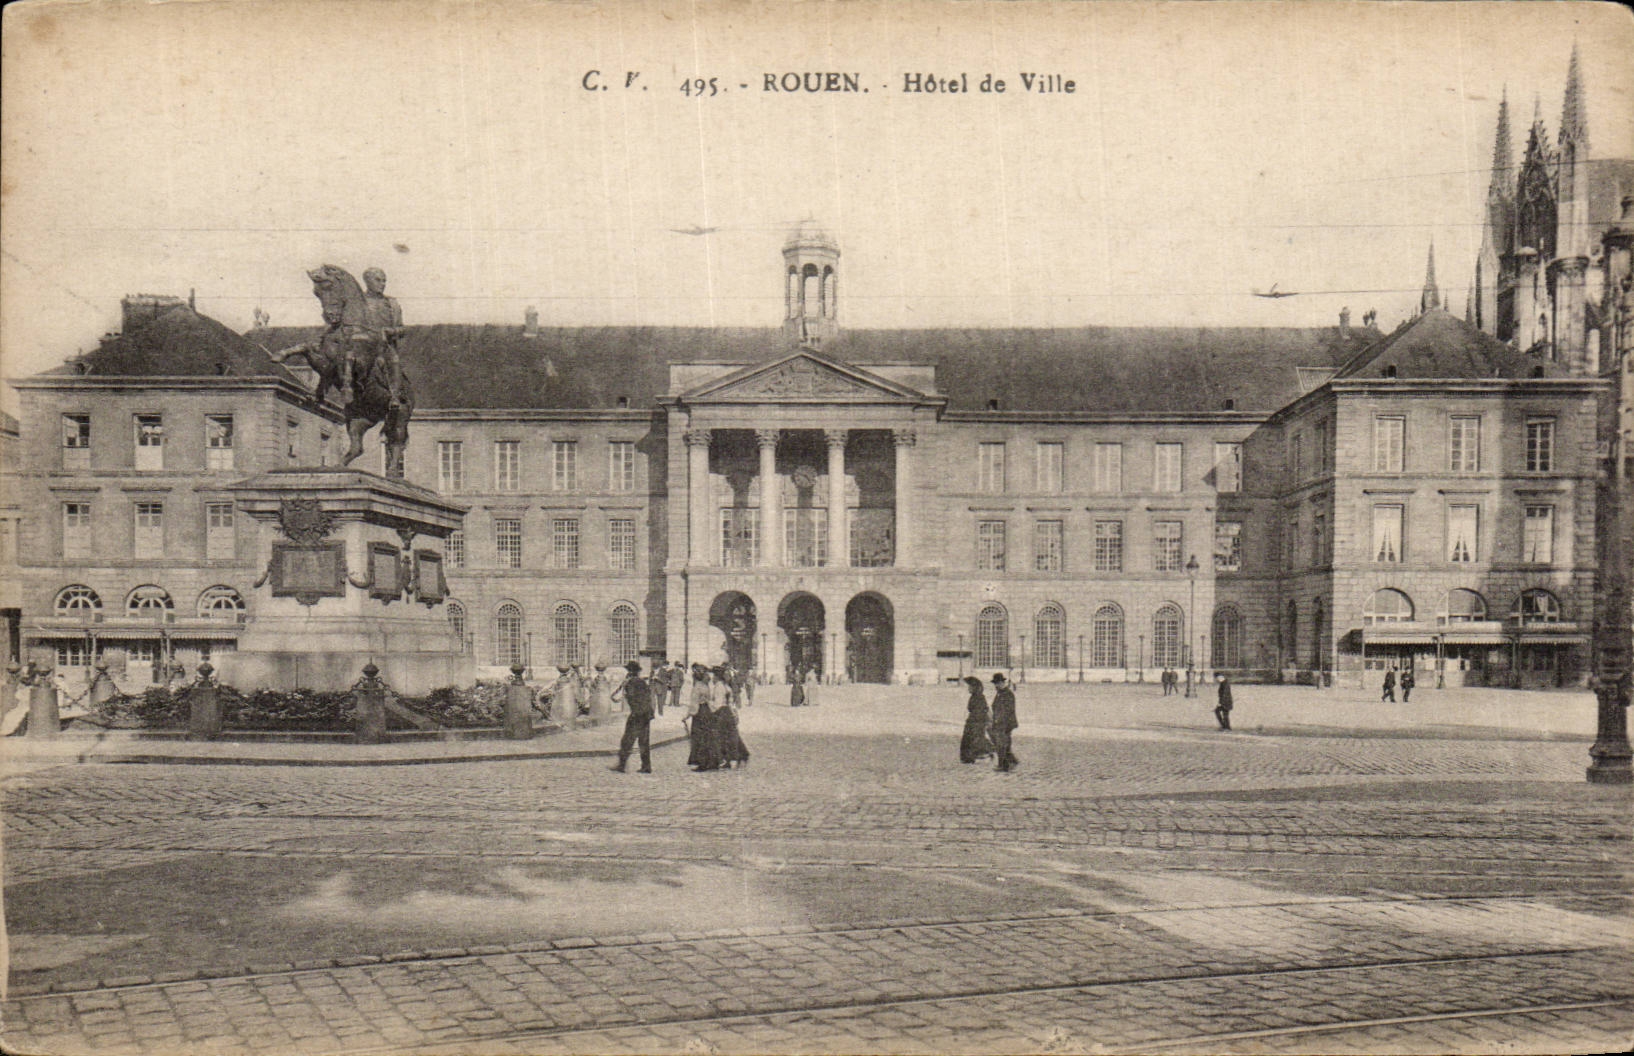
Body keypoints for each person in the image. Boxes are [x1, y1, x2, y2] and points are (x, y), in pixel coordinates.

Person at [357, 266, 405, 408]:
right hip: (363, 345)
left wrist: (390, 331)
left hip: (385, 347)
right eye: (378, 280)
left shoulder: (392, 304)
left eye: (384, 281)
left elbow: (402, 329)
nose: (382, 284)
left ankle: (394, 397)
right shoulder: (358, 302)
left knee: (394, 361)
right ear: (367, 281)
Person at [611, 660, 654, 773]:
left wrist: (625, 688)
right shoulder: (642, 682)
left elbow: (630, 696)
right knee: (644, 741)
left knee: (627, 740)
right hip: (646, 714)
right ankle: (646, 766)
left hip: (637, 714)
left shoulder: (631, 683)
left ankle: (621, 765)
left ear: (629, 672)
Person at [711, 665, 751, 769]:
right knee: (731, 735)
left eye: (713, 676)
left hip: (721, 713)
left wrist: (711, 712)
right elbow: (731, 701)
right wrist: (734, 713)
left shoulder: (718, 686)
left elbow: (718, 704)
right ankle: (740, 756)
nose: (712, 678)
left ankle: (724, 759)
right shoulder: (726, 686)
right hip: (728, 712)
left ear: (716, 676)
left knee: (720, 736)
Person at [958, 676, 994, 764]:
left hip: (977, 722)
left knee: (976, 740)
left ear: (975, 688)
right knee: (969, 740)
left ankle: (988, 752)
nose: (968, 689)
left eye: (970, 687)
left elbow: (983, 710)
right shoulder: (973, 697)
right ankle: (967, 758)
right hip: (972, 721)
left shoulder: (980, 697)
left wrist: (981, 723)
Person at [989, 672, 1019, 772]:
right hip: (1001, 722)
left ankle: (1003, 765)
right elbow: (995, 706)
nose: (995, 686)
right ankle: (1012, 760)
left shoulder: (1007, 694)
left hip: (1005, 723)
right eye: (995, 684)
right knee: (1004, 742)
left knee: (1001, 743)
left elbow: (1008, 710)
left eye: (997, 683)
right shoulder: (1000, 693)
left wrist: (999, 720)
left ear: (1002, 683)